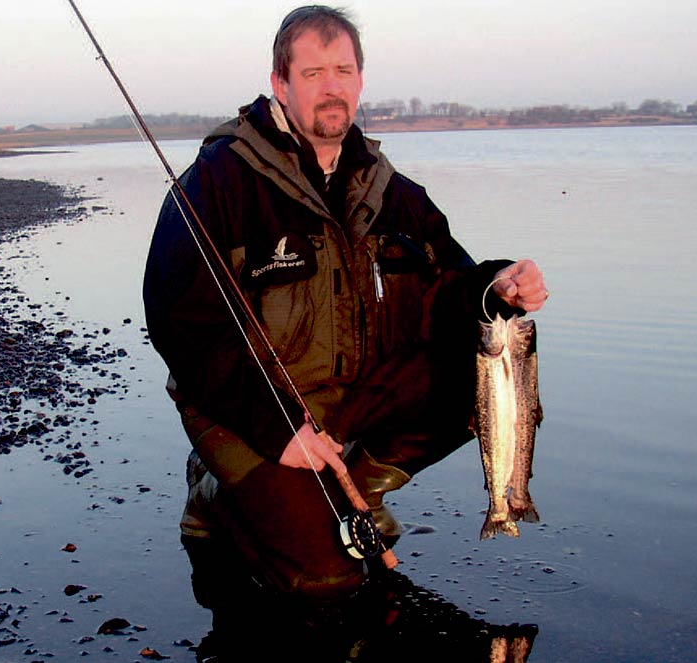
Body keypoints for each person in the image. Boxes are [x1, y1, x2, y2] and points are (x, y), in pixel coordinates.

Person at [143, 5, 547, 602]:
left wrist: (499, 286)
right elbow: (181, 327)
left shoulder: (389, 189)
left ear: (360, 80)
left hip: (348, 403)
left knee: (490, 361)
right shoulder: (217, 183)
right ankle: (218, 496)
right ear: (280, 84)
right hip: (250, 412)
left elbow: (451, 285)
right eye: (312, 74)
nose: (332, 87)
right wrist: (276, 428)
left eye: (344, 70)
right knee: (327, 582)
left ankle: (353, 488)